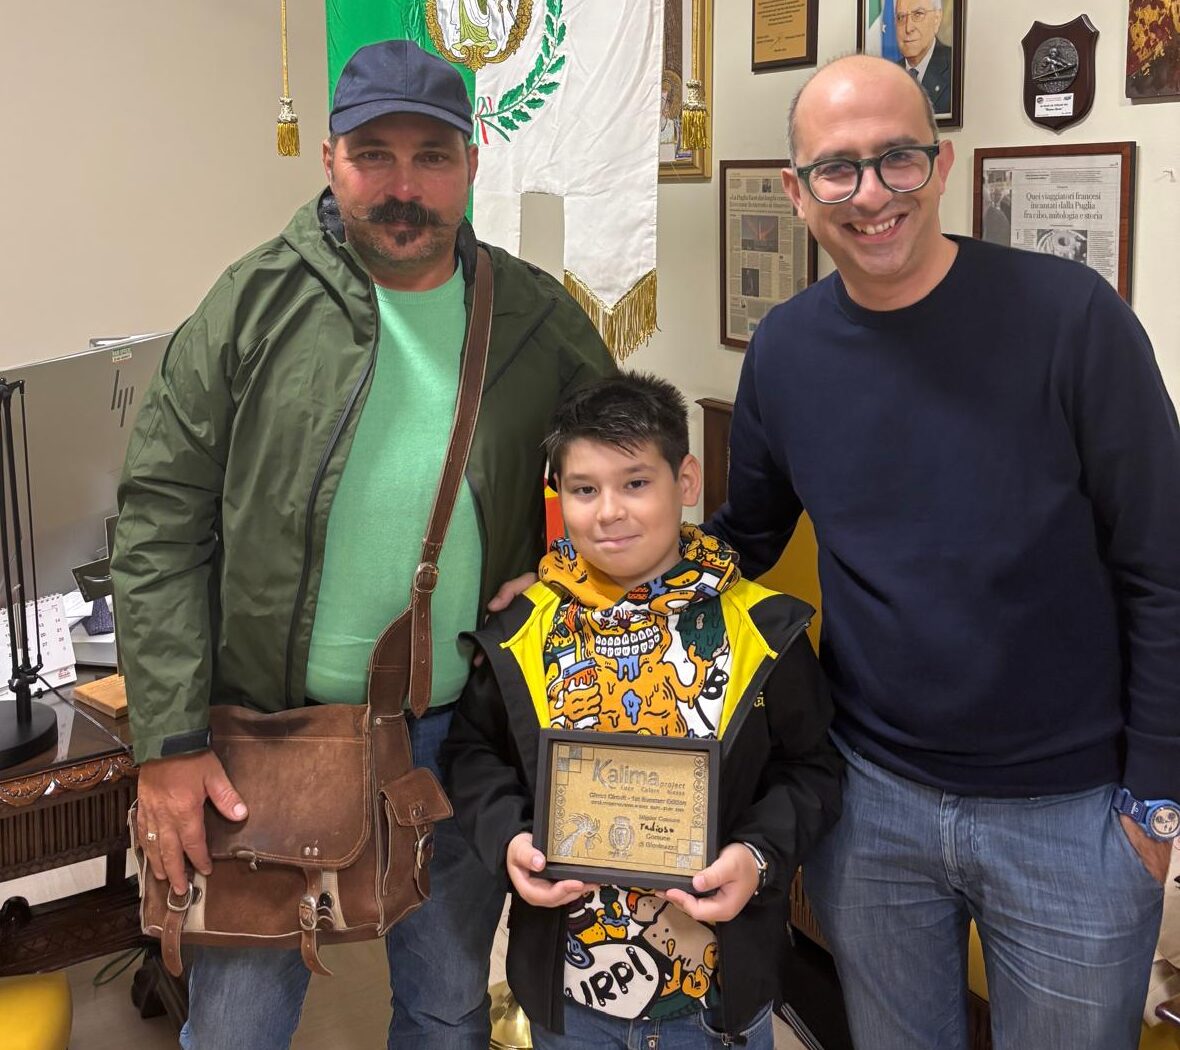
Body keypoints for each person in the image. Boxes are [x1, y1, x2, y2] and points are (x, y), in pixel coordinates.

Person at [112, 39, 614, 1050]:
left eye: (431, 156)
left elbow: (625, 479)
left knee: (445, 1008)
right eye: (373, 154)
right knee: (239, 1026)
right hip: (266, 739)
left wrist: (570, 577)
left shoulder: (535, 319)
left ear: (471, 163)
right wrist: (168, 744)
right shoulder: (252, 305)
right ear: (330, 160)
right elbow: (158, 518)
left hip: (460, 736)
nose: (403, 186)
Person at [708, 55, 1180, 1050]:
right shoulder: (786, 350)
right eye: (837, 169)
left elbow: (1163, 565)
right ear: (796, 192)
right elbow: (745, 536)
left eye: (899, 159)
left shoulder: (1072, 318)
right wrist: (586, 582)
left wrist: (1155, 806)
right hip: (869, 801)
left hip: (1073, 814)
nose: (871, 194)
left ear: (944, 163)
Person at [443, 373, 843, 1047]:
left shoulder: (761, 628)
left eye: (635, 483)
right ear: (558, 494)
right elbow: (472, 752)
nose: (609, 512)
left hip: (716, 1002)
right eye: (583, 489)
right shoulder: (526, 627)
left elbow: (814, 770)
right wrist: (510, 837)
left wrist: (757, 855)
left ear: (685, 481)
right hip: (569, 1001)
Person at [894, 0, 952, 114]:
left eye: (918, 14)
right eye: (901, 17)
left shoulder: (957, 67)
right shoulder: (889, 75)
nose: (908, 28)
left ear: (937, 18)